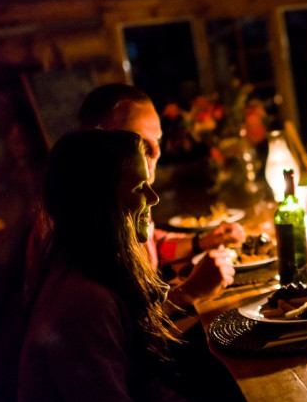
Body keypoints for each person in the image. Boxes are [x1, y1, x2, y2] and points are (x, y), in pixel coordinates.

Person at [19, 130, 271, 402]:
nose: (153, 197)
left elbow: (147, 394)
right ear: (99, 204)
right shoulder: (84, 306)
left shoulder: (94, 278)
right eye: (139, 188)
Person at [77, 83, 245, 269]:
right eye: (140, 142)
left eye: (157, 140)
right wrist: (190, 294)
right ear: (100, 145)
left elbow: (152, 246)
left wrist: (205, 241)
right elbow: (127, 298)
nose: (157, 152)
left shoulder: (133, 202)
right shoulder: (89, 224)